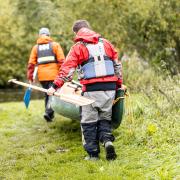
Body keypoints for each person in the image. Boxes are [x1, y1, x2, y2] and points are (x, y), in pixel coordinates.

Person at [47, 20, 123, 160]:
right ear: (89, 29)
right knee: (105, 118)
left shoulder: (78, 47)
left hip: (90, 90)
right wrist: (118, 85)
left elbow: (67, 70)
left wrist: (54, 86)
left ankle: (93, 154)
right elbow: (117, 66)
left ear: (76, 33)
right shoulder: (106, 43)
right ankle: (107, 141)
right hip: (110, 89)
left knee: (88, 122)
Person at [27, 27, 65, 122]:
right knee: (52, 94)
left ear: (40, 35)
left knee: (47, 94)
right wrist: (63, 74)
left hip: (42, 76)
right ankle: (48, 112)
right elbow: (62, 61)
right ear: (49, 35)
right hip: (54, 75)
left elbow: (31, 64)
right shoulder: (55, 45)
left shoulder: (36, 48)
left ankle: (49, 115)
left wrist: (30, 77)